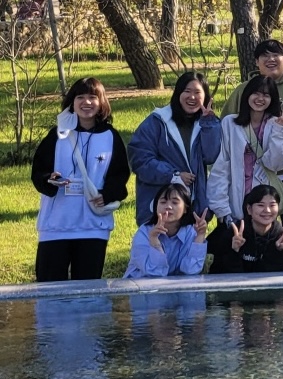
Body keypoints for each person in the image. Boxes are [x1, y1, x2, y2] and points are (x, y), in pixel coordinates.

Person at [32, 76, 131, 281]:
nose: (87, 102)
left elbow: (120, 176)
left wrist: (108, 194)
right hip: (56, 225)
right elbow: (38, 172)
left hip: (94, 226)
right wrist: (49, 178)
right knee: (49, 288)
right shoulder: (57, 135)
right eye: (80, 97)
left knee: (88, 290)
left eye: (92, 97)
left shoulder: (111, 136)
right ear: (72, 102)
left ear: (102, 102)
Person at [207, 76, 283, 262]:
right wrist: (221, 208)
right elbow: (221, 167)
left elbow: (277, 164)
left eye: (266, 95)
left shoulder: (276, 124)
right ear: (246, 94)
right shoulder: (230, 123)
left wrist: (280, 132)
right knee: (232, 253)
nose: (260, 98)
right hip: (236, 197)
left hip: (263, 198)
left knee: (263, 251)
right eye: (256, 93)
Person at [128, 70, 223, 228]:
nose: (192, 97)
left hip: (193, 210)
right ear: (178, 93)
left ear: (206, 97)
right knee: (158, 251)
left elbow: (211, 156)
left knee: (190, 251)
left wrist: (209, 124)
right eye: (187, 91)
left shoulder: (208, 123)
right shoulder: (157, 121)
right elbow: (140, 159)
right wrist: (173, 175)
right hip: (158, 207)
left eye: (197, 92)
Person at [209, 184, 283, 275]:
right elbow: (221, 271)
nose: (267, 210)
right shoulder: (234, 233)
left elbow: (274, 277)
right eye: (261, 205)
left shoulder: (280, 236)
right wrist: (234, 250)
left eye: (272, 205)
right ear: (249, 209)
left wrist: (279, 251)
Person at [123, 185, 207, 278]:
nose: (168, 207)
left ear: (185, 209)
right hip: (142, 286)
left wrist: (200, 236)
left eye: (175, 202)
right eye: (163, 202)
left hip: (176, 289)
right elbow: (154, 273)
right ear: (156, 206)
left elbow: (191, 270)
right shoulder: (144, 232)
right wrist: (154, 241)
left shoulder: (191, 232)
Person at [221, 37, 283, 116]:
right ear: (257, 61)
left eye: (275, 55)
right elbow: (226, 123)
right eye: (265, 55)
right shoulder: (243, 89)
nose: (271, 59)